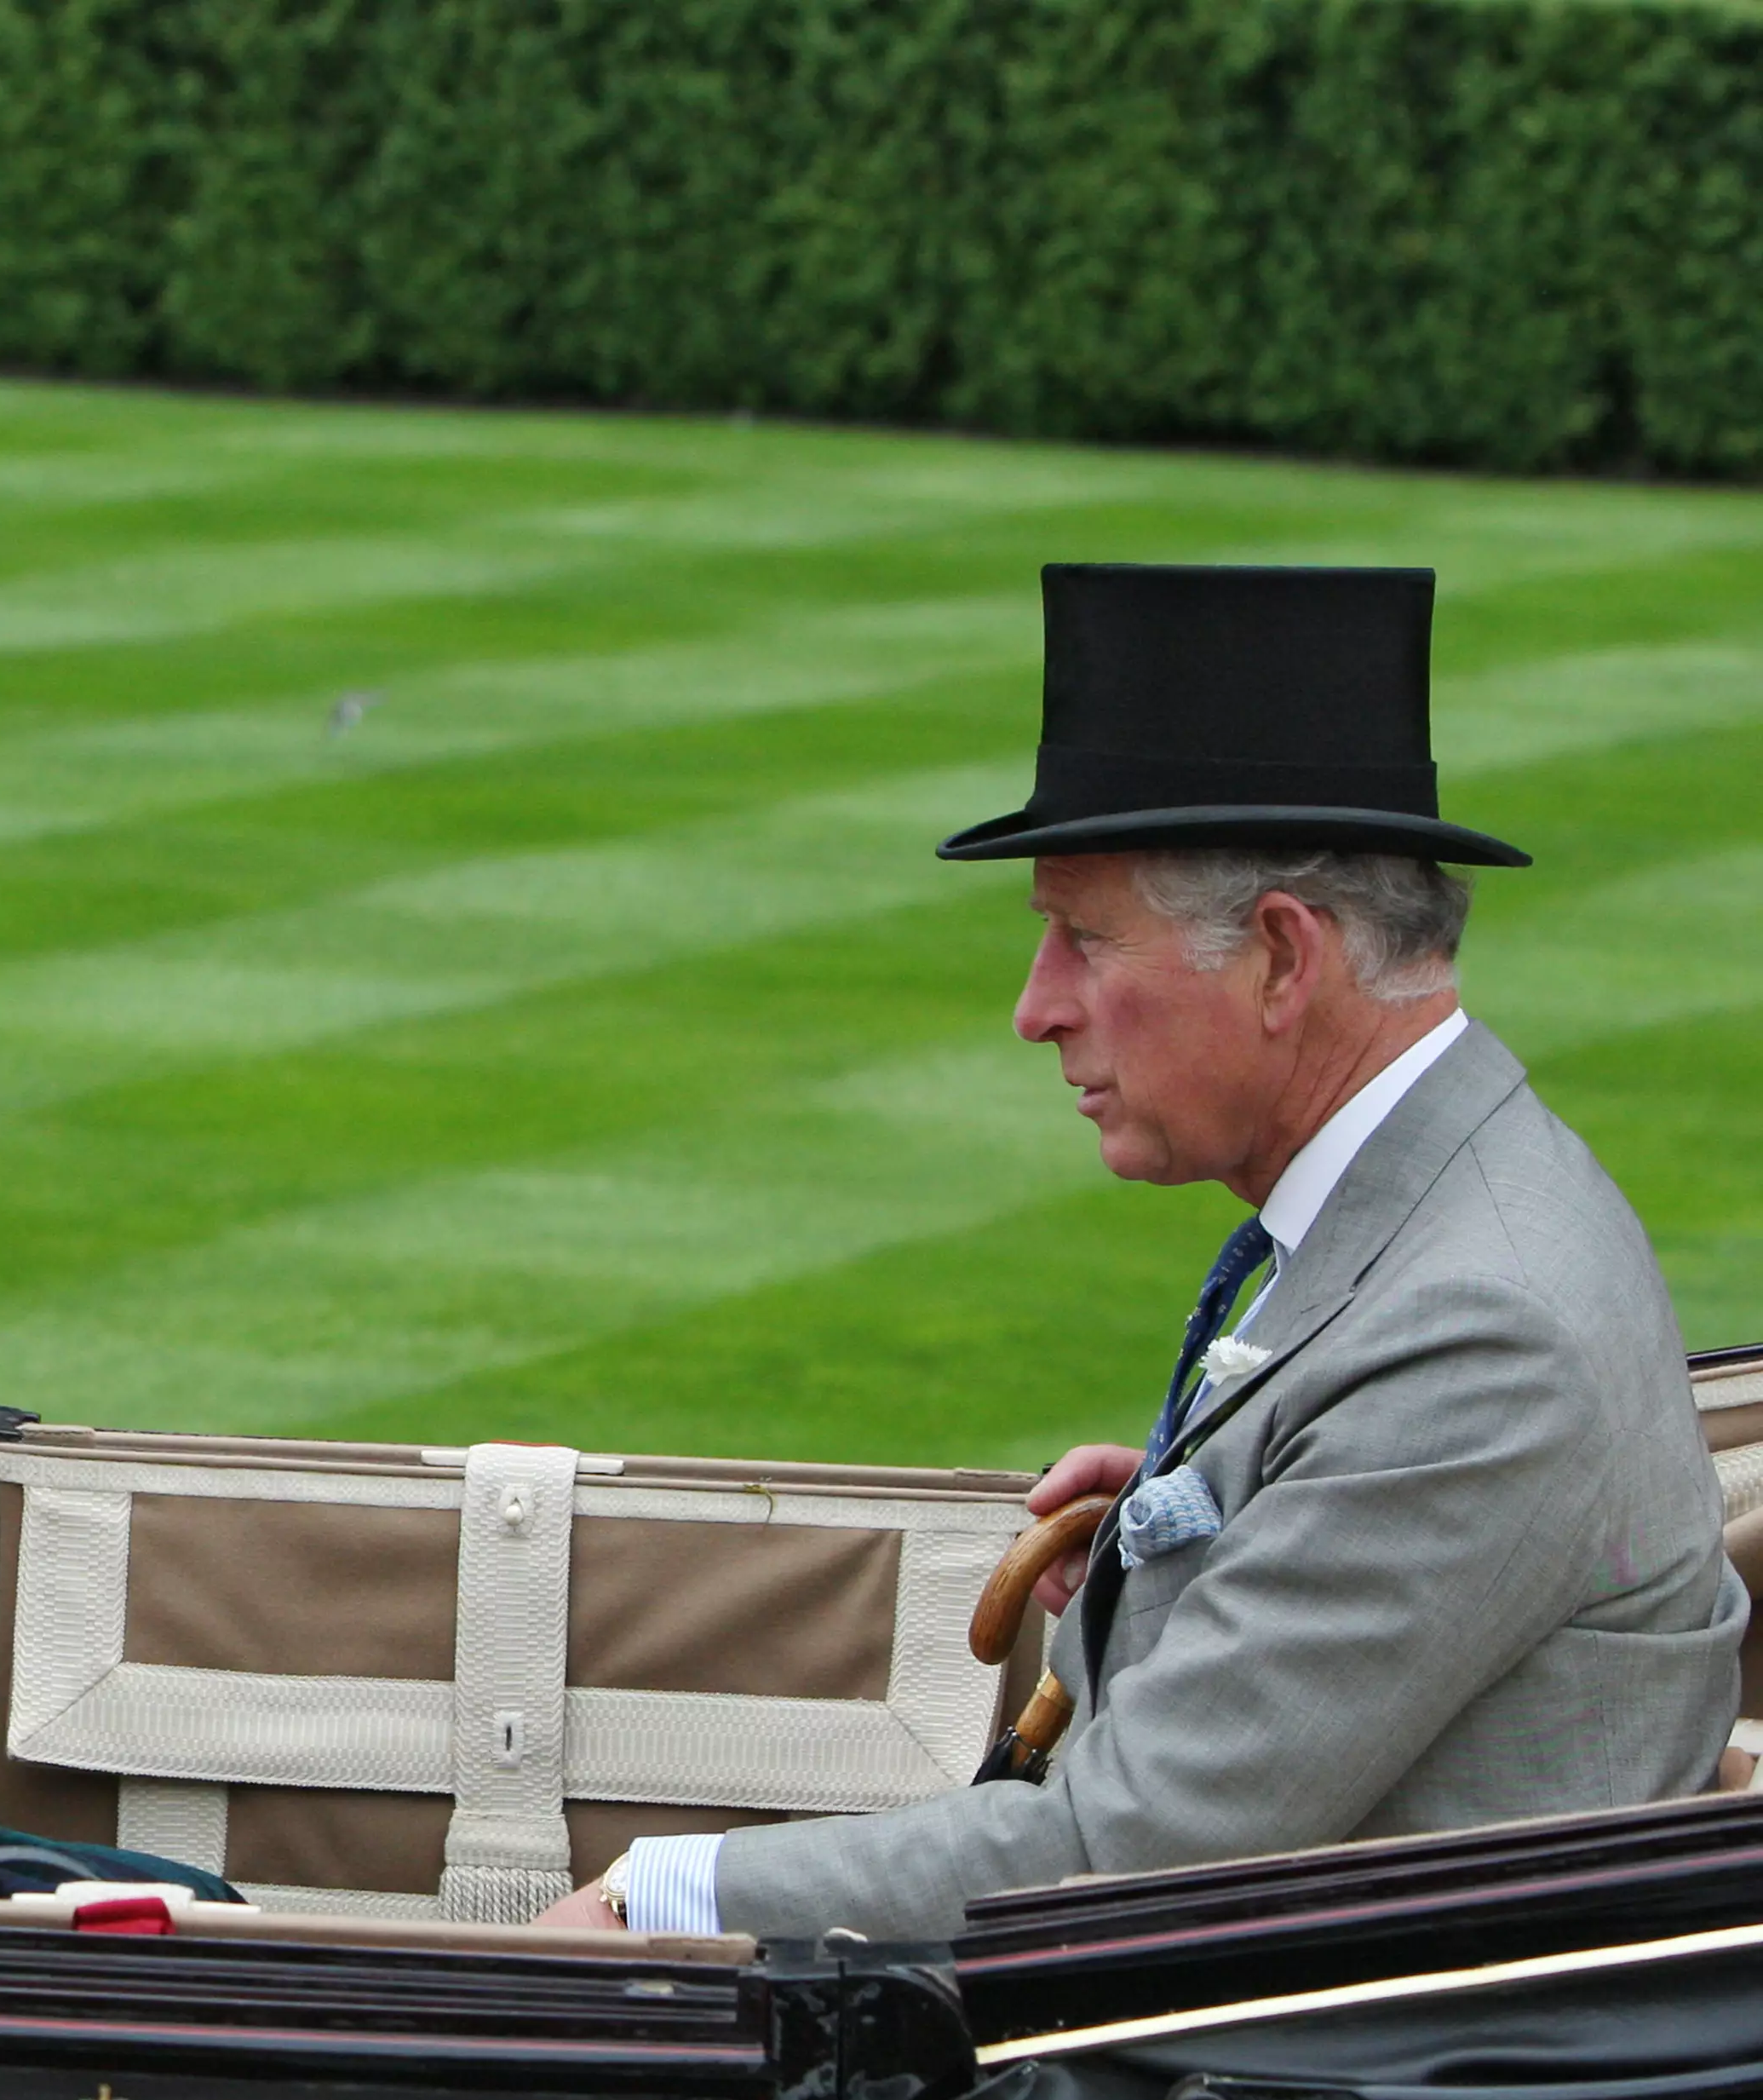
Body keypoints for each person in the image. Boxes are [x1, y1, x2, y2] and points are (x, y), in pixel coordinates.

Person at [545, 562, 1746, 1942]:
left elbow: (1115, 1856)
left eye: (1081, 936)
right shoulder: (1457, 1209)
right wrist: (1216, 1509)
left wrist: (656, 1900)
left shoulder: (1483, 1333)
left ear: (1284, 960)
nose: (1034, 1007)